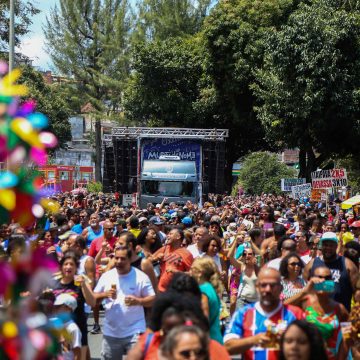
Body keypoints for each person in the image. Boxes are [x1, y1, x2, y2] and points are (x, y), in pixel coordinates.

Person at [224, 268, 303, 359]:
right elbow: (227, 346)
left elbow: (310, 345)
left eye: (273, 285)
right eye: (263, 285)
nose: (268, 289)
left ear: (281, 288)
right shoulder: (243, 314)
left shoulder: (295, 314)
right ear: (257, 287)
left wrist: (289, 339)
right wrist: (255, 339)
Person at [93, 246, 156, 360]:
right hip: (111, 332)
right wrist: (104, 294)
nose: (118, 262)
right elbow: (93, 300)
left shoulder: (141, 277)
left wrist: (139, 301)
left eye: (122, 259)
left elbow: (153, 299)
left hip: (135, 331)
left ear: (130, 259)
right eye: (116, 258)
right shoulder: (107, 276)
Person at [286, 265, 349, 359]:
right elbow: (282, 308)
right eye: (319, 277)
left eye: (327, 278)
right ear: (311, 279)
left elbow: (347, 336)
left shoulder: (340, 309)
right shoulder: (305, 302)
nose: (323, 281)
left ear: (332, 281)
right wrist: (305, 291)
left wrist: (340, 357)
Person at [53, 251, 95, 356]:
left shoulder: (81, 281)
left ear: (76, 268)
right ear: (61, 267)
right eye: (66, 264)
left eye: (72, 264)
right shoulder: (54, 283)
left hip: (78, 328)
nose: (68, 267)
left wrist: (83, 286)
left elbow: (92, 302)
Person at [303, 231, 359, 311]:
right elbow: (305, 289)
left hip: (341, 315)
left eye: (331, 245)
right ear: (321, 246)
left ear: (336, 246)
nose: (328, 248)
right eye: (325, 245)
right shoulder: (312, 264)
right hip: (316, 316)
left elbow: (357, 292)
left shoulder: (348, 265)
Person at [190, 257, 223, 344]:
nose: (190, 272)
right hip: (216, 339)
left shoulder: (203, 291)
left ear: (200, 273)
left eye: (192, 269)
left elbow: (204, 321)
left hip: (209, 342)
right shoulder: (210, 288)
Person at [152, 227, 193, 292]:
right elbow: (148, 259)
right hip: (160, 290)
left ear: (178, 237)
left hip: (176, 293)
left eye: (171, 234)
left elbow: (192, 274)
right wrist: (155, 258)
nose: (168, 235)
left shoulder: (186, 254)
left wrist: (176, 272)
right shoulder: (165, 249)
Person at [227, 238, 259, 314]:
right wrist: (235, 241)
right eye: (245, 254)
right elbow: (230, 256)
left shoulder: (259, 267)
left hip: (256, 301)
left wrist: (252, 242)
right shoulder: (242, 266)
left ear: (254, 256)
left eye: (250, 254)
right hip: (242, 300)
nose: (247, 256)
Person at [53, 293, 82, 360]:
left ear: (69, 309)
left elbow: (77, 353)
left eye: (58, 307)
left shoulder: (73, 328)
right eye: (54, 307)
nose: (55, 310)